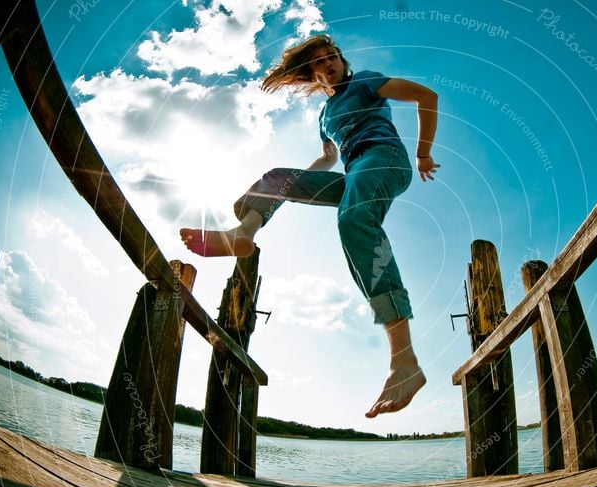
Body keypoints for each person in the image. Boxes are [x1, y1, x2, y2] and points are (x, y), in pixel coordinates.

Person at [180, 35, 439, 418]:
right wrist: (294, 186)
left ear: (341, 60)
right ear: (311, 74)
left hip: (384, 160)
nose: (328, 63)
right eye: (319, 61)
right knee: (275, 177)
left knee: (354, 219)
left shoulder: (364, 81)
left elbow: (426, 96)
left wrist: (422, 154)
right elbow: (326, 159)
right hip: (352, 174)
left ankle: (405, 361)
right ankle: (243, 234)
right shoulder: (324, 117)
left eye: (332, 56)